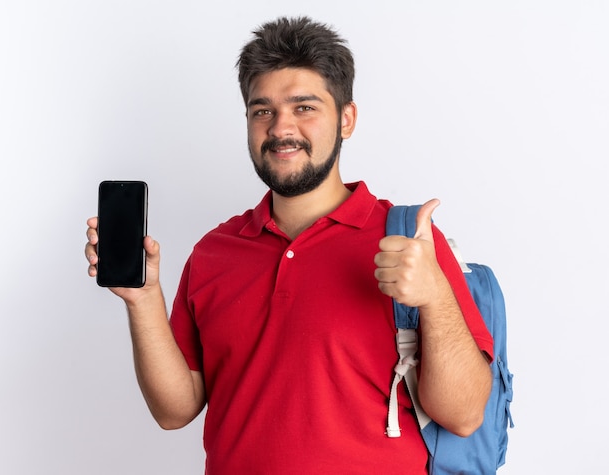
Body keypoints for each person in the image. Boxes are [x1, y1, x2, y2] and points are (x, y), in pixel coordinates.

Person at [85, 16, 493, 474]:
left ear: (347, 119)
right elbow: (174, 411)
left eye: (304, 108)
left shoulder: (409, 240)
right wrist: (142, 301)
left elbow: (463, 416)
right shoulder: (214, 252)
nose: (281, 128)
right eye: (263, 110)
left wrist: (435, 296)